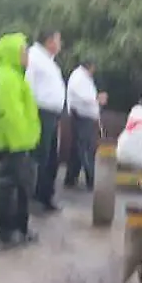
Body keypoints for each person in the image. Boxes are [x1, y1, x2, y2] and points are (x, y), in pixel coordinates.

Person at [0, 32, 41, 249]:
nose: (27, 55)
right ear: (13, 53)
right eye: (23, 50)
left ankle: (15, 230)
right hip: (15, 144)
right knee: (14, 187)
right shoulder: (8, 79)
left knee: (16, 186)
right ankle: (11, 231)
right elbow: (11, 115)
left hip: (16, 142)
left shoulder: (13, 77)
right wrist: (21, 142)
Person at [26, 29, 67, 212]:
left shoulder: (49, 61)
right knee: (40, 156)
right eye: (58, 40)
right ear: (49, 41)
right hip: (39, 112)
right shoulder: (34, 57)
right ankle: (35, 197)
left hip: (52, 113)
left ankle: (46, 195)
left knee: (51, 158)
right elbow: (28, 85)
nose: (60, 44)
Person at [62, 57, 101, 190]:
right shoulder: (79, 77)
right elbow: (83, 96)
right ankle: (91, 179)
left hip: (84, 117)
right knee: (86, 148)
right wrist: (97, 98)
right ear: (90, 66)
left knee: (78, 149)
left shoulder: (83, 77)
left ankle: (71, 178)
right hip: (81, 117)